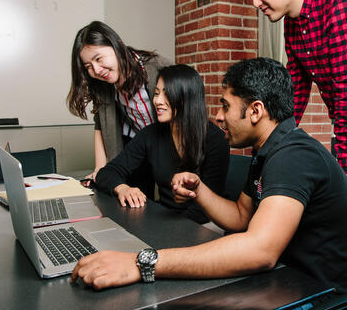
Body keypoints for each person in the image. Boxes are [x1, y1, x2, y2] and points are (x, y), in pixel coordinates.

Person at [70, 57, 347, 293]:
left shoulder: (294, 156)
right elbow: (241, 217)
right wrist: (199, 190)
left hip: (321, 291)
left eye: (225, 106)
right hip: (286, 280)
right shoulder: (267, 153)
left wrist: (141, 262)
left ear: (255, 111)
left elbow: (260, 251)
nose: (217, 115)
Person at [237, 0, 347, 174]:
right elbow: (294, 93)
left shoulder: (337, 0)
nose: (255, 3)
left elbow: (345, 90)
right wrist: (270, 145)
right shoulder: (292, 23)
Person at [94, 64, 230, 224]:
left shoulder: (215, 139)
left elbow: (204, 211)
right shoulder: (150, 134)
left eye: (166, 94)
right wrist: (122, 188)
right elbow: (107, 173)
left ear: (186, 98)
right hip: (166, 218)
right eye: (156, 93)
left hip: (204, 224)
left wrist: (159, 228)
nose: (157, 101)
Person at [67, 21, 171, 197]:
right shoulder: (103, 84)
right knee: (133, 201)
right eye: (88, 66)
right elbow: (100, 124)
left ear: (116, 46)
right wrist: (100, 168)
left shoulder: (158, 67)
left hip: (168, 143)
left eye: (99, 59)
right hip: (137, 145)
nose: (97, 70)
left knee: (172, 200)